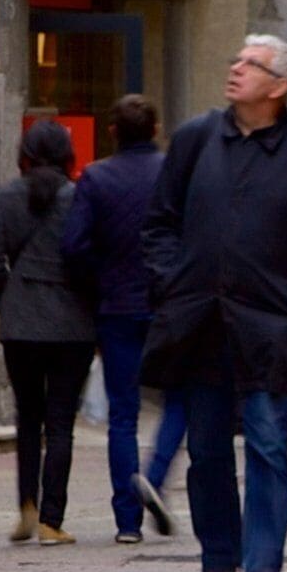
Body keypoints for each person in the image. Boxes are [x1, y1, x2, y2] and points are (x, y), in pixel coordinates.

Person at [141, 33, 287, 572]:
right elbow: (159, 221)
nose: (234, 69)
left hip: (270, 330)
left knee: (266, 447)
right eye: (234, 59)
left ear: (277, 87)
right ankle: (216, 562)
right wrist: (170, 282)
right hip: (199, 322)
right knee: (206, 452)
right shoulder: (196, 139)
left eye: (249, 65)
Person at [57, 94, 179, 543]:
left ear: (112, 132)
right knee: (179, 400)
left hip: (116, 308)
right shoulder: (172, 174)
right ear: (156, 129)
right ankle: (157, 474)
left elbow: (74, 246)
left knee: (123, 414)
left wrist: (100, 280)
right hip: (167, 306)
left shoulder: (97, 177)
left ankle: (127, 520)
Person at [0, 119, 93, 546]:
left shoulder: (8, 197)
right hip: (72, 326)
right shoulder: (77, 198)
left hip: (20, 325)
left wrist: (8, 301)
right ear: (68, 154)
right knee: (60, 422)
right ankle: (51, 519)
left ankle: (25, 504)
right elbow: (88, 260)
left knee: (27, 417)